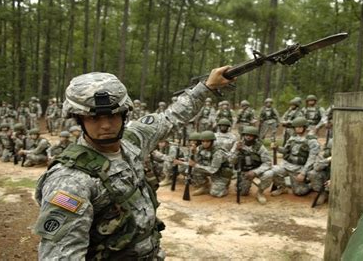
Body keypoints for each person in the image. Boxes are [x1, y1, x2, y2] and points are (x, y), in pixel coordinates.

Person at [34, 67, 233, 259]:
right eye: (94, 117)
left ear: (124, 114)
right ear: (79, 119)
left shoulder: (133, 141)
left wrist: (207, 86)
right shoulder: (70, 180)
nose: (105, 125)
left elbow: (171, 117)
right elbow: (61, 255)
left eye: (112, 114)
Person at [268, 117, 320, 196]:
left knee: (299, 192)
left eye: (300, 127)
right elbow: (286, 150)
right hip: (287, 165)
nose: (297, 129)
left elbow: (311, 159)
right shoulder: (292, 138)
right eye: (296, 127)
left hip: (299, 168)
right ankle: (282, 187)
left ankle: (310, 184)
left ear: (305, 127)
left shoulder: (312, 141)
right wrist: (277, 148)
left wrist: (303, 173)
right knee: (271, 172)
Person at [229, 126, 272, 204]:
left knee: (269, 174)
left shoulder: (259, 147)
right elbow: (231, 160)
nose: (248, 137)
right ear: (243, 135)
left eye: (251, 135)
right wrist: (236, 151)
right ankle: (240, 182)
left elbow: (268, 163)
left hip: (256, 169)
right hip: (244, 171)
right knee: (243, 193)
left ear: (255, 137)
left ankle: (260, 192)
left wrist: (255, 172)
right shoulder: (238, 144)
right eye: (247, 135)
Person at [188, 130, 232, 197]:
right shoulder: (200, 148)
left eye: (207, 141)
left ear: (212, 141)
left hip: (220, 173)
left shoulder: (218, 152)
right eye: (203, 141)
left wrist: (195, 165)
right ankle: (205, 186)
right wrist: (194, 152)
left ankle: (225, 185)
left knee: (215, 193)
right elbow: (197, 161)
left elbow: (213, 169)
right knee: (194, 170)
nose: (205, 143)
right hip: (209, 168)